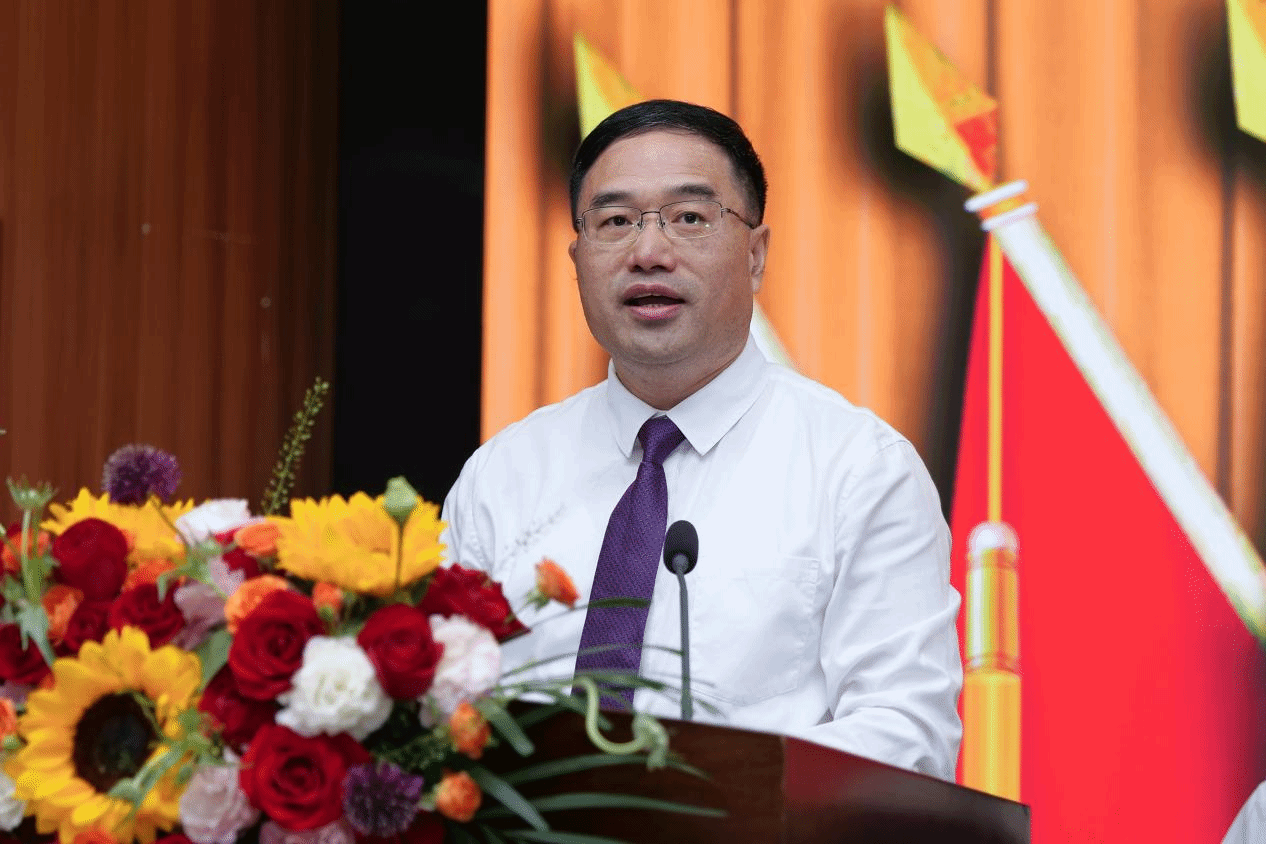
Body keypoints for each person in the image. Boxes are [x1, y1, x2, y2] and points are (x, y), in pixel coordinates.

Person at [441, 99, 963, 780]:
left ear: (755, 254)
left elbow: (909, 734)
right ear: (576, 258)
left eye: (689, 218)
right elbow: (440, 709)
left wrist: (701, 794)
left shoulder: (859, 469)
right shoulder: (502, 474)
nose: (648, 253)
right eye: (615, 222)